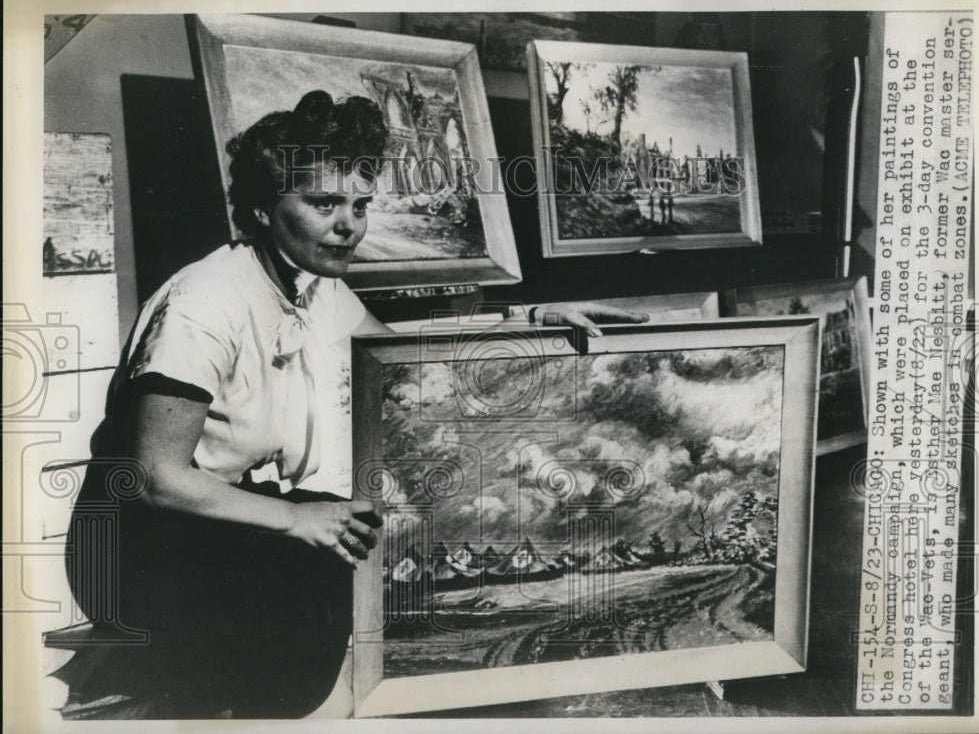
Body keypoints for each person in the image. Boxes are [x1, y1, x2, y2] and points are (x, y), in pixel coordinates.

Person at [64, 90, 646, 719]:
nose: (349, 224)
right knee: (316, 584)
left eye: (359, 205)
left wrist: (536, 322)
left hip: (229, 521)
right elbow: (155, 477)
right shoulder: (205, 304)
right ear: (261, 208)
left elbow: (403, 362)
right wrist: (297, 522)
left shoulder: (313, 287)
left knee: (366, 547)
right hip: (138, 546)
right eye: (323, 204)